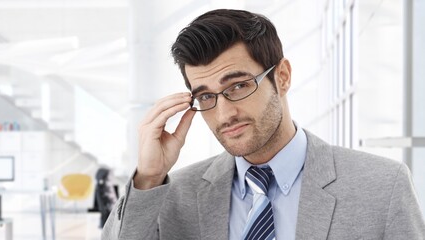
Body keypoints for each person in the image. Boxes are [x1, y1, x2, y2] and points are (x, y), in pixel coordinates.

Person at [102, 9, 425, 239]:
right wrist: (148, 177)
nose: (225, 114)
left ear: (281, 77)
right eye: (206, 97)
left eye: (239, 86)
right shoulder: (173, 194)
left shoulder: (382, 185)